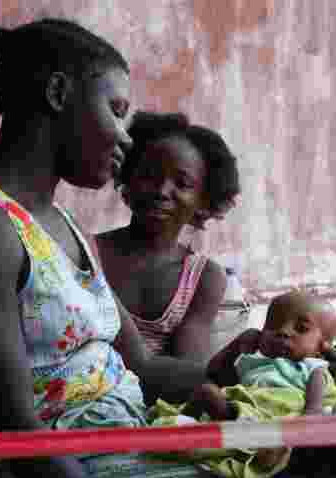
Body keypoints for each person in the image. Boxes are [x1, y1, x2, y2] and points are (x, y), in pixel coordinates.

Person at [0, 19, 269, 478]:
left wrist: (249, 381)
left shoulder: (63, 225)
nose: (126, 137)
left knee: (308, 468)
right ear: (57, 93)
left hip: (112, 451)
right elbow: (13, 429)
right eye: (116, 111)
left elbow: (142, 366)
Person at [147, 291, 336, 478]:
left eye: (301, 328)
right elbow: (214, 372)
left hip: (274, 416)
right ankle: (187, 423)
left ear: (322, 348)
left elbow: (313, 412)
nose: (283, 331)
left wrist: (300, 432)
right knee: (205, 391)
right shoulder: (254, 362)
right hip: (241, 408)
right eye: (273, 325)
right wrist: (236, 345)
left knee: (274, 429)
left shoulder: (313, 368)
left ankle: (268, 450)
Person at [94, 111, 238, 362]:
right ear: (128, 178)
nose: (162, 191)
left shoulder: (203, 278)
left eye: (182, 184)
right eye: (150, 176)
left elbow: (186, 366)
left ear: (203, 200)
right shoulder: (87, 251)